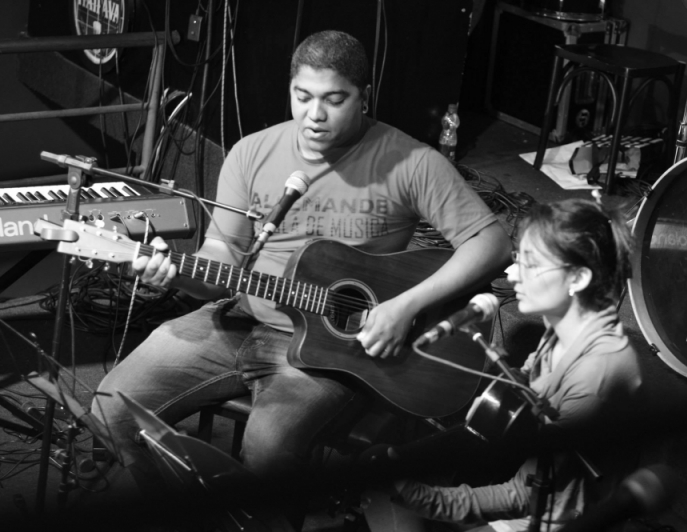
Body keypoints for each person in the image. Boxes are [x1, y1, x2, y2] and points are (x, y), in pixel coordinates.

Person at [90, 29, 511, 526]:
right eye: (303, 97)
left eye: (335, 100)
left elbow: (492, 242)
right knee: (108, 409)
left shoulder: (411, 161)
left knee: (268, 453)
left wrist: (405, 306)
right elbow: (221, 259)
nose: (315, 115)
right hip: (240, 319)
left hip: (332, 350)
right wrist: (173, 275)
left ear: (363, 97)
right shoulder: (251, 153)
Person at [364, 197, 644, 532]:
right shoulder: (567, 322)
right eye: (517, 260)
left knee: (392, 494)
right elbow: (527, 382)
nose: (512, 275)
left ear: (578, 279)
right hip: (522, 465)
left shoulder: (597, 376)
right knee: (382, 462)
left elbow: (525, 496)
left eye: (531, 264)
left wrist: (418, 495)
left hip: (555, 517)